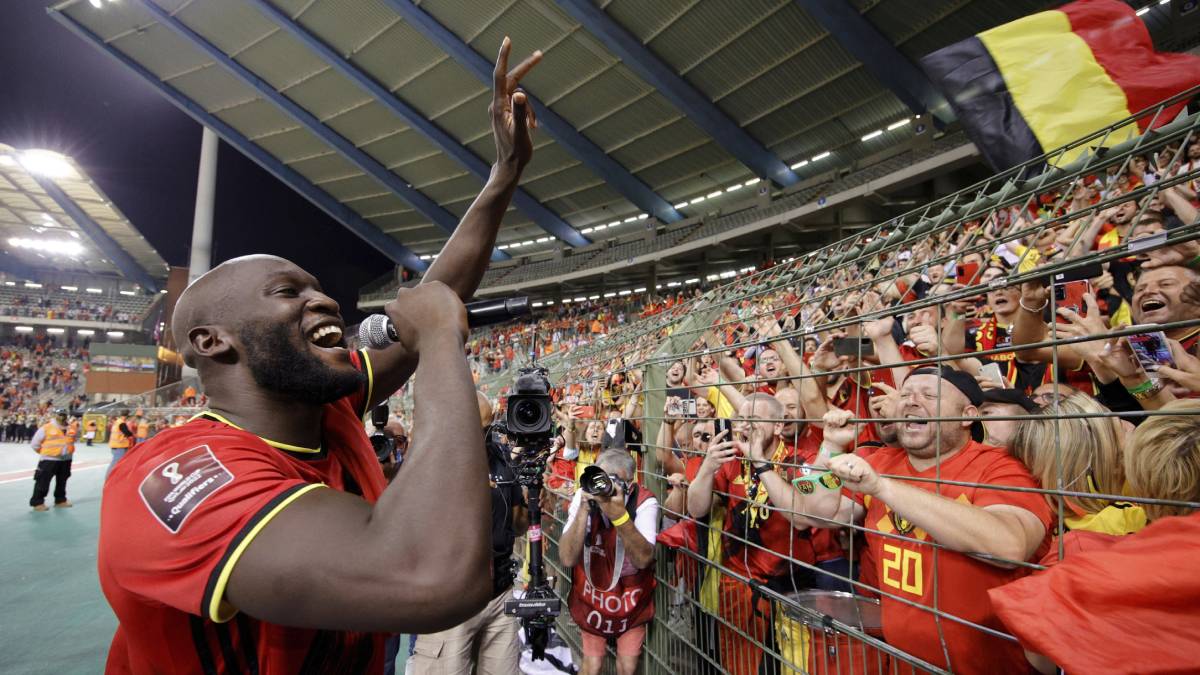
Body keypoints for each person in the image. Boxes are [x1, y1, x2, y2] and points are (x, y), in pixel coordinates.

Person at [96, 37, 544, 674]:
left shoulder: (322, 407)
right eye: (288, 292)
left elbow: (441, 287)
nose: (326, 301)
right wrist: (443, 336)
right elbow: (428, 577)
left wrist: (502, 177)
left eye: (319, 287)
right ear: (210, 342)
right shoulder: (176, 481)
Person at [798, 367, 1051, 675]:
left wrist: (883, 488)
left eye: (930, 395)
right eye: (905, 394)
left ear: (967, 415)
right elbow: (813, 513)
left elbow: (1010, 546)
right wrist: (830, 448)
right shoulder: (881, 462)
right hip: (904, 663)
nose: (910, 402)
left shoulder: (999, 469)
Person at [686, 394, 816, 675]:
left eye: (754, 420)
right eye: (741, 420)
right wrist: (707, 468)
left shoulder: (802, 460)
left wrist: (761, 464)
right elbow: (696, 509)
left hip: (792, 591)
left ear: (779, 427)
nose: (745, 426)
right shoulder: (731, 461)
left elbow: (802, 518)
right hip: (739, 588)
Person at [409, 391, 528, 674]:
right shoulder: (430, 459)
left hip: (499, 593)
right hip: (451, 598)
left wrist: (531, 493)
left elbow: (518, 524)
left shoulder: (499, 454)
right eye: (479, 429)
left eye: (489, 428)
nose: (486, 436)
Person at [559, 450, 658, 675]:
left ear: (630, 485)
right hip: (594, 597)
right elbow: (566, 557)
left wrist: (619, 515)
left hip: (630, 599)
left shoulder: (644, 501)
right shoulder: (584, 496)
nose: (603, 486)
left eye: (612, 480)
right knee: (592, 666)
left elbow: (643, 559)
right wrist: (584, 509)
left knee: (628, 666)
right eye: (600, 477)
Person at [29, 408, 76, 511]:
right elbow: (35, 444)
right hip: (49, 460)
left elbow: (70, 442)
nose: (62, 417)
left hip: (66, 460)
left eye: (64, 414)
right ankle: (38, 502)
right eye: (60, 414)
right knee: (43, 481)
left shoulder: (71, 428)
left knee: (62, 481)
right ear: (55, 415)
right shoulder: (46, 427)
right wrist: (47, 453)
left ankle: (60, 500)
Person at [106, 409, 131, 478]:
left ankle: (116, 476)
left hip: (117, 445)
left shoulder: (117, 422)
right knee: (115, 463)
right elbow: (127, 433)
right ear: (126, 416)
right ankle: (109, 477)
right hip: (119, 446)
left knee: (118, 462)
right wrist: (131, 434)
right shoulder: (121, 423)